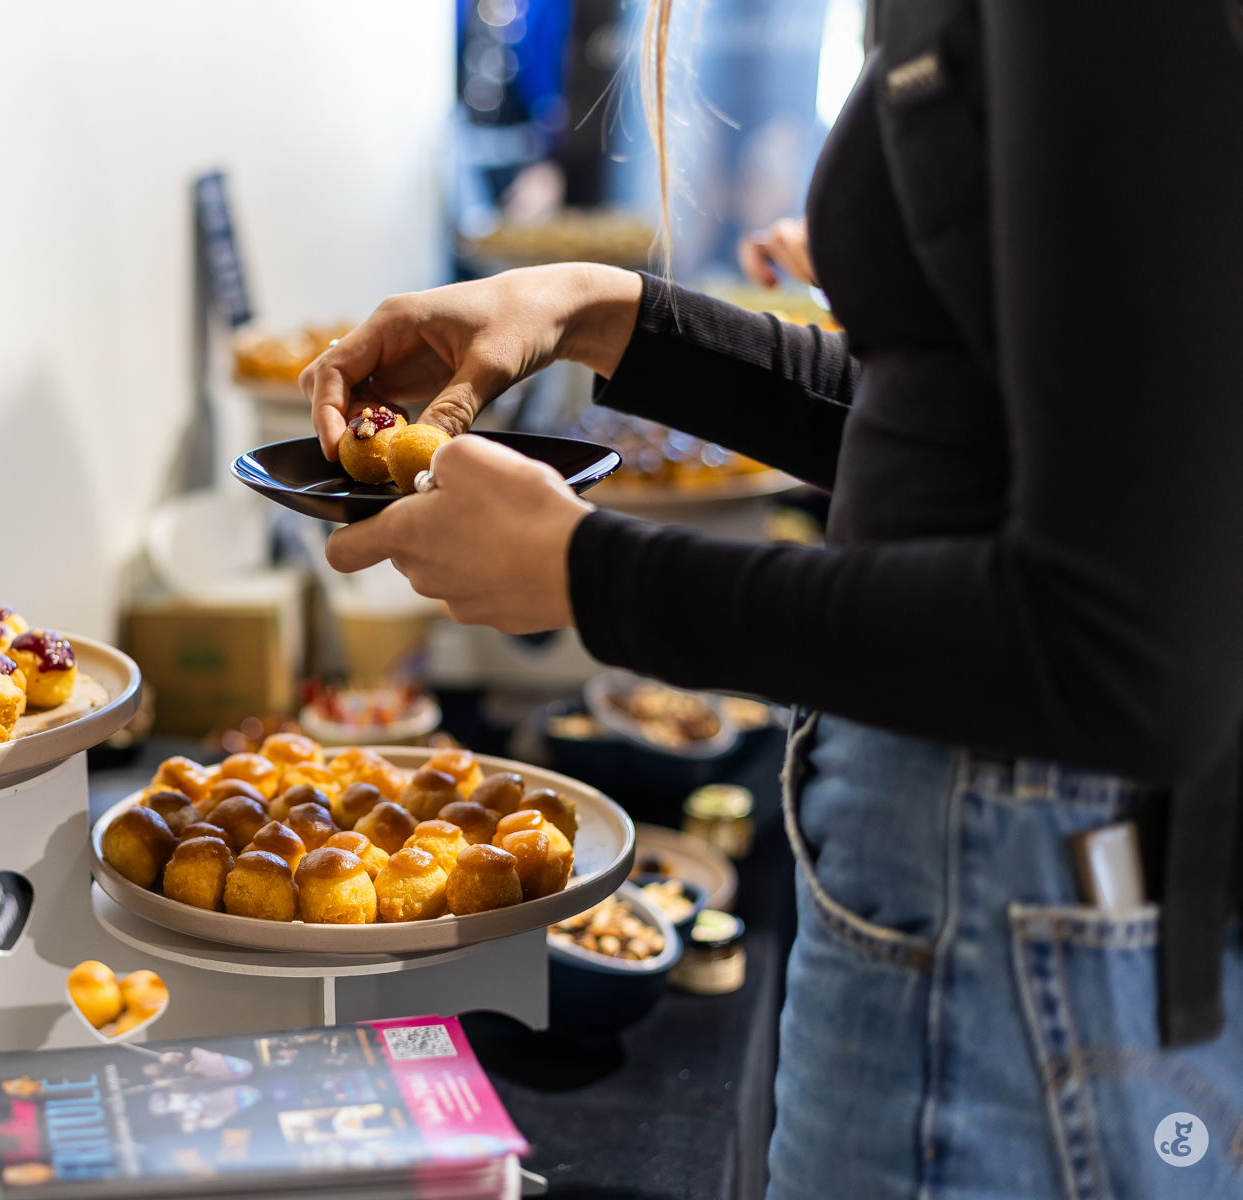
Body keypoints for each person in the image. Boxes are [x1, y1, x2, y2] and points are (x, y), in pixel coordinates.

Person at [301, 3, 1243, 1197]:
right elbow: (946, 438)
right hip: (977, 891)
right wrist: (599, 314)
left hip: (1002, 917)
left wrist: (589, 574)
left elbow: (1130, 653)